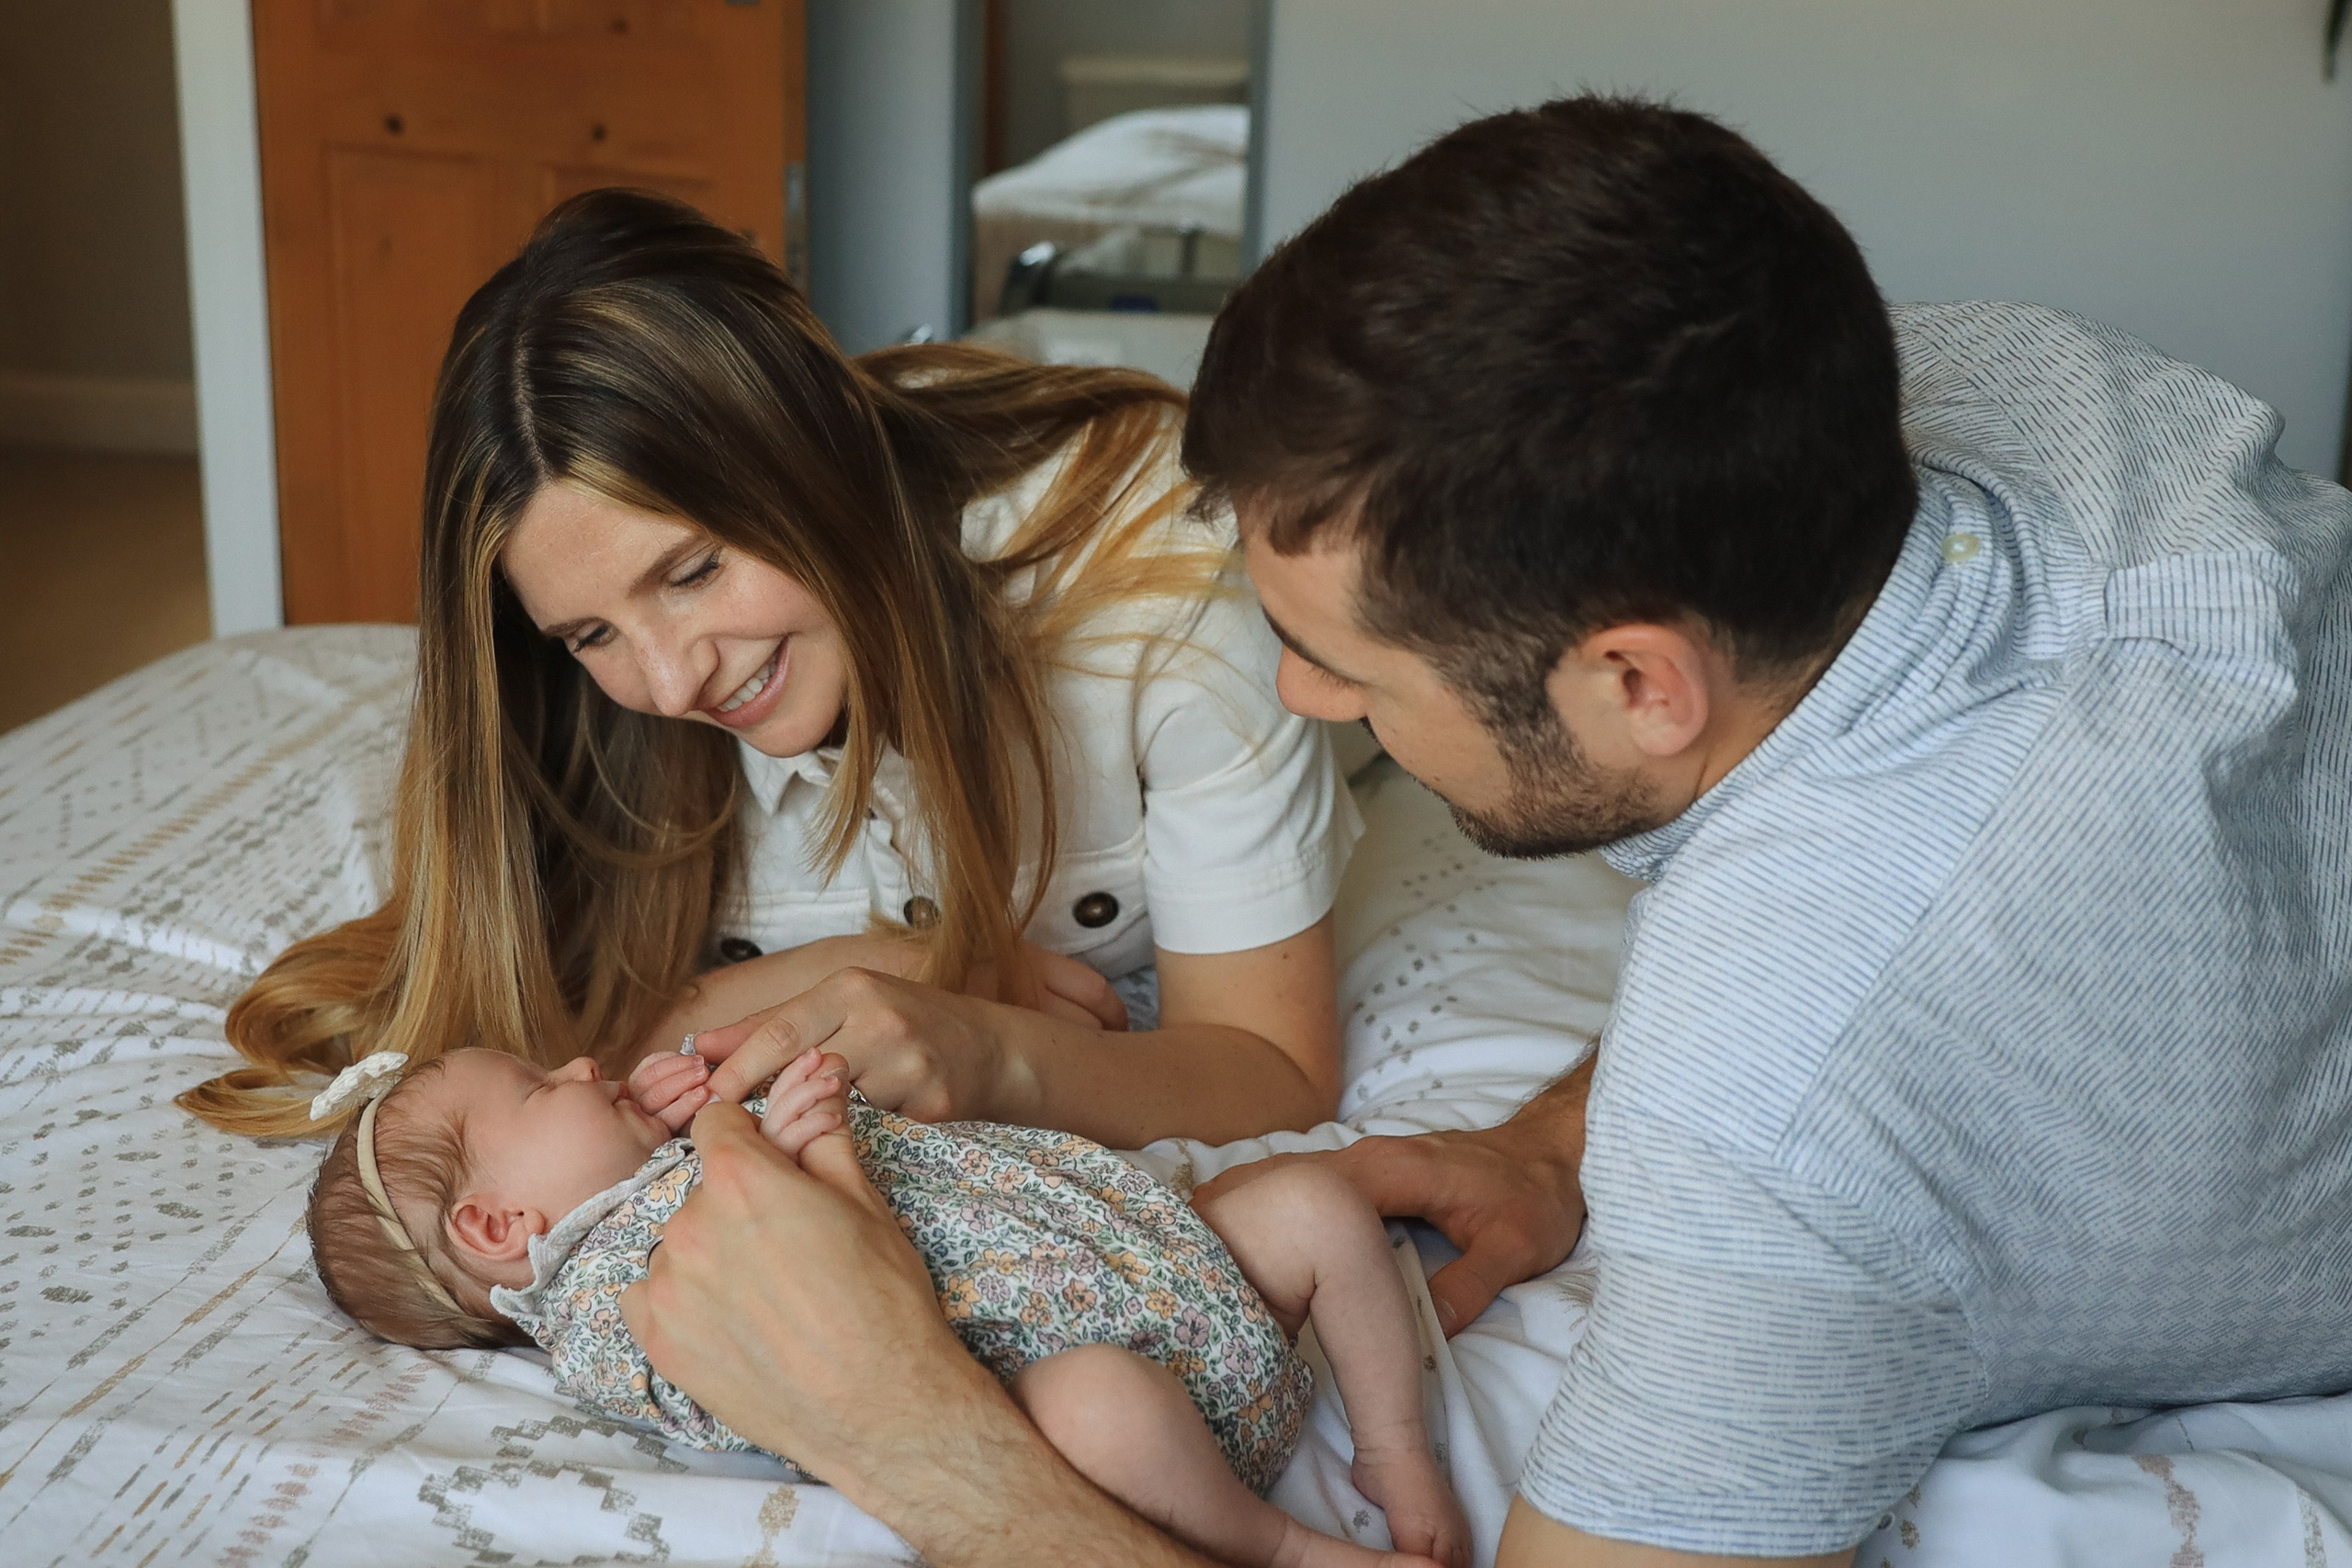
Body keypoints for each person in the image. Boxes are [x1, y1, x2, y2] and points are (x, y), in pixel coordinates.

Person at [611, 94, 2352, 1567]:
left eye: (1351, 668)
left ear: (1635, 686)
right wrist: (1554, 1141)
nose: (1304, 705)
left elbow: (1835, 1057)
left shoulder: (1778, 1107)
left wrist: (912, 1435)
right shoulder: (2014, 388)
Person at [180, 187, 1359, 1152]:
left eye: (691, 571)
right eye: (590, 635)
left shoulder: (1159, 588)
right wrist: (878, 964)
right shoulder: (590, 709)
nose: (672, 681)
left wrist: (987, 1050)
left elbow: (1271, 1070)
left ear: (809, 462)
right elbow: (517, 1040)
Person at [300, 1042, 1469, 1568]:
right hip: (1119, 1408)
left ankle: (1395, 1452)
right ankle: (1284, 1549)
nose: (577, 1067)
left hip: (1168, 1268)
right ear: (496, 1228)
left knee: (1315, 1204)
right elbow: (817, 1344)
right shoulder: (627, 1302)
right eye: (536, 1085)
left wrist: (678, 1115)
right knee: (1097, 1402)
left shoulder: (658, 1169)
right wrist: (812, 1151)